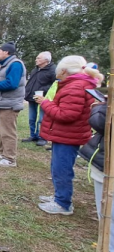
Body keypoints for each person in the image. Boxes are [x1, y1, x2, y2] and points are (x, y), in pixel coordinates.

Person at [34, 55, 102, 215]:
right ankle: (59, 196)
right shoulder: (76, 85)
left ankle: (63, 203)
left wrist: (45, 103)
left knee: (62, 168)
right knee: (58, 167)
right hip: (66, 135)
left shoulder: (75, 87)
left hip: (69, 135)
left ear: (63, 70)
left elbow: (66, 115)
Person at [0, 41, 26, 167]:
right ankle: (3, 154)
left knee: (8, 132)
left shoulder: (15, 64)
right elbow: (4, 80)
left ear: (6, 52)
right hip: (2, 102)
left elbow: (11, 84)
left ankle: (10, 159)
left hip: (10, 104)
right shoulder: (4, 66)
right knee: (1, 130)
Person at [78, 102, 113, 252]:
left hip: (108, 165)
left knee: (108, 216)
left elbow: (100, 120)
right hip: (105, 159)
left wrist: (101, 107)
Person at [22, 52, 56, 146]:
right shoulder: (35, 69)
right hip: (32, 97)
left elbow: (55, 85)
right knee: (32, 118)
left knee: (42, 119)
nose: (36, 60)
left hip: (44, 99)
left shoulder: (53, 70)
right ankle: (33, 135)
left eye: (38, 58)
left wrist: (44, 92)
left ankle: (43, 137)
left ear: (46, 60)